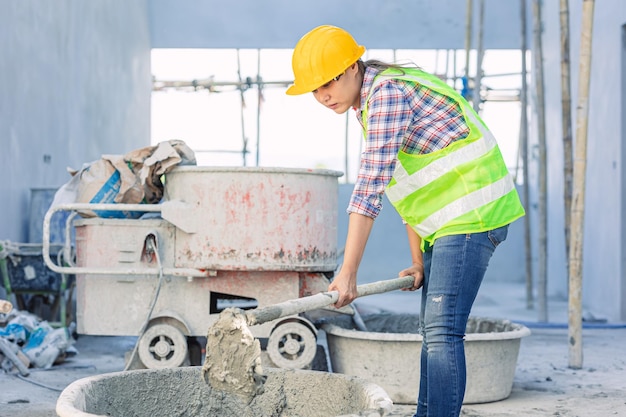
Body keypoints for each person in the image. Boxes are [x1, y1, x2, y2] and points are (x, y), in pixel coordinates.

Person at [286, 25, 525, 417]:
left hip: (472, 215)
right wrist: (417, 259)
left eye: (326, 82)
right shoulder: (368, 103)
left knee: (443, 331)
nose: (321, 96)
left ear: (351, 68)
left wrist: (348, 274)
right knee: (433, 334)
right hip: (447, 223)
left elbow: (369, 190)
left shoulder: (387, 95)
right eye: (312, 89)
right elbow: (410, 187)